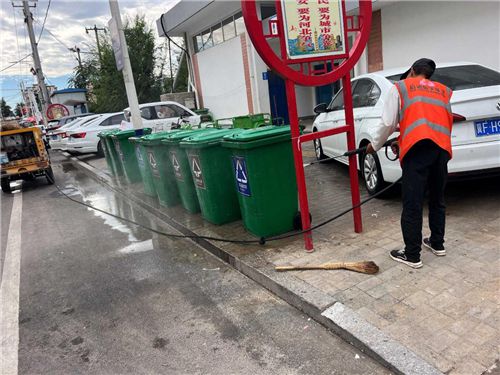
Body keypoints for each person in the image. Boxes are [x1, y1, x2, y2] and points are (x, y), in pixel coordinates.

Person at [365, 58, 453, 269]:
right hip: (441, 149)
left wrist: (373, 146)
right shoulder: (442, 91)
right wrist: (401, 140)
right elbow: (439, 122)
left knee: (413, 203)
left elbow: (388, 122)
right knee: (437, 199)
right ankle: (437, 243)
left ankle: (412, 254)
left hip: (417, 152)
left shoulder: (401, 88)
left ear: (412, 71)